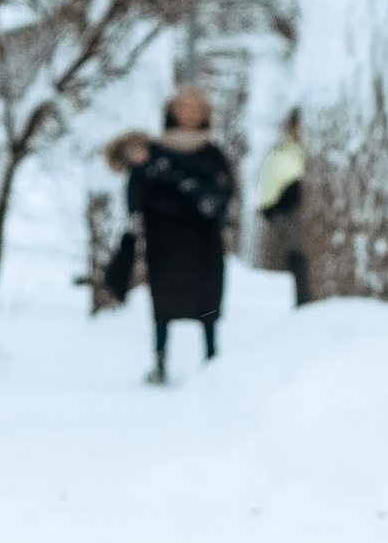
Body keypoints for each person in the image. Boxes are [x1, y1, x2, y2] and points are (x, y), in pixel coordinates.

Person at [107, 88, 234, 384]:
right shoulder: (153, 150)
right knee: (164, 301)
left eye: (197, 106)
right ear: (171, 110)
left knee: (207, 300)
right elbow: (135, 191)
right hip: (164, 239)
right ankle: (160, 360)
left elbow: (226, 192)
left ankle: (212, 360)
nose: (190, 112)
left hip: (203, 239)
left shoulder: (213, 152)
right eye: (184, 105)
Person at [256, 110, 309, 306]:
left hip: (298, 213)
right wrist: (271, 209)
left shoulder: (301, 150)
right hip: (286, 213)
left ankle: (304, 300)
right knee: (294, 254)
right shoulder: (282, 152)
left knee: (299, 255)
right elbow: (271, 181)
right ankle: (301, 301)